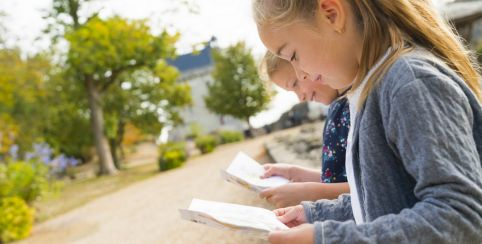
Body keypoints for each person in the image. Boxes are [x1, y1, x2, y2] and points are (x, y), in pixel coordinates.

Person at [252, 0, 482, 243]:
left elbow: (463, 216)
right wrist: (314, 214)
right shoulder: (373, 90)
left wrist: (327, 238)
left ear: (331, 14)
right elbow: (384, 200)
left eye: (293, 56)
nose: (301, 73)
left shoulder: (410, 84)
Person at [259, 52, 349, 208]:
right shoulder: (337, 110)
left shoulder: (355, 110)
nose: (300, 98)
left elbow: (371, 188)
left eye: (295, 84)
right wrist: (293, 172)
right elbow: (336, 179)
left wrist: (312, 193)